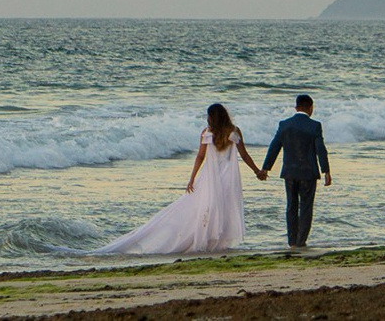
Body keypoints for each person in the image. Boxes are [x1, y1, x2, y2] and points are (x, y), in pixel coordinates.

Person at [96, 103, 264, 254]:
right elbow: (244, 155)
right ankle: (216, 241)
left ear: (212, 117)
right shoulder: (233, 131)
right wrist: (257, 171)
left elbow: (200, 157)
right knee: (222, 208)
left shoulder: (207, 133)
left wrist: (192, 178)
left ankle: (209, 239)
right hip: (228, 177)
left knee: (207, 207)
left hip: (210, 177)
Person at [260, 93, 331, 248]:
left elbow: (274, 147)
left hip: (289, 173)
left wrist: (266, 168)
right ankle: (301, 241)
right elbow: (320, 149)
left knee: (291, 206)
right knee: (306, 207)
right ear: (311, 108)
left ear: (296, 107)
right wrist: (326, 170)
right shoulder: (315, 126)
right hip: (308, 173)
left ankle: (292, 241)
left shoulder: (284, 124)